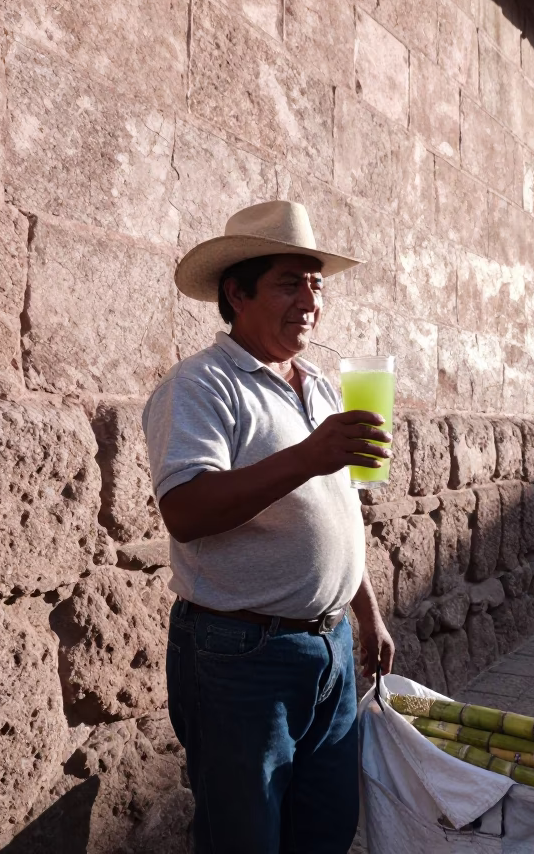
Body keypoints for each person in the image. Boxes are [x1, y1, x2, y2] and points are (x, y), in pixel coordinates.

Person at [142, 201, 396, 852]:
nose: (311, 298)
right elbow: (187, 511)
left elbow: (341, 510)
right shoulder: (201, 386)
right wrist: (310, 455)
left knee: (325, 829)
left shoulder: (321, 388)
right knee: (245, 837)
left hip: (331, 649)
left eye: (317, 283)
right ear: (237, 291)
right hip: (242, 657)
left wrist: (367, 614)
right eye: (290, 281)